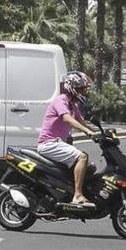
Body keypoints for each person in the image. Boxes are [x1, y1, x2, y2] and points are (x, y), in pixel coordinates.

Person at [37, 71, 97, 207]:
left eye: (84, 89)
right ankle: (77, 195)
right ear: (72, 87)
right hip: (49, 143)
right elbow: (67, 118)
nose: (83, 92)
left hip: (57, 143)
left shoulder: (72, 105)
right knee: (82, 157)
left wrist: (99, 134)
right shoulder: (60, 100)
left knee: (90, 168)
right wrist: (87, 131)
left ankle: (71, 191)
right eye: (81, 89)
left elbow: (81, 122)